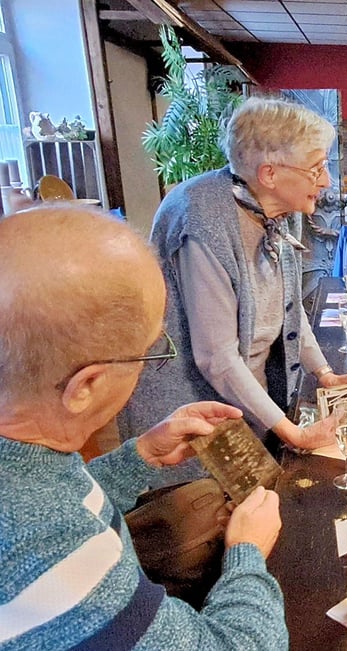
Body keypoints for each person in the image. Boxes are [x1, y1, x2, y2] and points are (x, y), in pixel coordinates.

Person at [0, 205, 288, 650]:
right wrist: (247, 554)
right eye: (148, 351)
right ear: (86, 386)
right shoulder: (50, 547)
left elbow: (60, 494)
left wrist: (141, 457)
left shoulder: (25, 459)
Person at [121, 96, 347, 484]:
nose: (327, 180)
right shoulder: (203, 218)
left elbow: (289, 307)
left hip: (245, 396)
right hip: (190, 411)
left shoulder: (276, 208)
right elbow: (216, 357)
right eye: (316, 168)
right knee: (201, 524)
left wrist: (326, 373)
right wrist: (292, 431)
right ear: (269, 173)